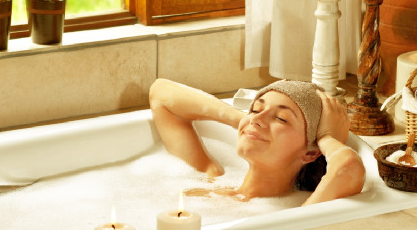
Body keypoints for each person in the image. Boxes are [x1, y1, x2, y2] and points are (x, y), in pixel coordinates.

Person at [148, 79, 365, 206]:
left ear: (310, 154)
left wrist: (327, 138)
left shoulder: (299, 211)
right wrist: (244, 121)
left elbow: (348, 166)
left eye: (281, 118)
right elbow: (160, 92)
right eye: (256, 109)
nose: (257, 119)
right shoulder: (210, 175)